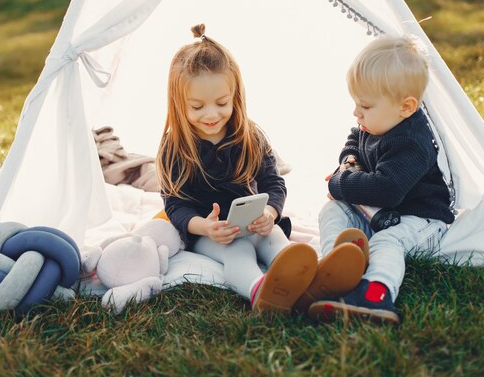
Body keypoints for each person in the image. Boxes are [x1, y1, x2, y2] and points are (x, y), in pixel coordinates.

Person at [156, 24, 363, 314]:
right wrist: (205, 226)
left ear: (235, 96)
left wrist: (269, 214)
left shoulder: (249, 135)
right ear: (179, 104)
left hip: (253, 223)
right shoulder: (176, 147)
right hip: (209, 234)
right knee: (239, 250)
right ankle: (263, 293)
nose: (211, 114)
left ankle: (314, 279)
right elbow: (175, 204)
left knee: (276, 239)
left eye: (221, 102)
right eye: (197, 106)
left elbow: (273, 183)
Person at [309, 35, 455, 324]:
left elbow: (386, 189)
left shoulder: (412, 142)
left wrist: (338, 184)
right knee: (332, 210)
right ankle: (334, 268)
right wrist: (348, 162)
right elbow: (355, 140)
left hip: (420, 220)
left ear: (406, 107)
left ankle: (377, 294)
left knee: (386, 242)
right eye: (355, 103)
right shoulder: (377, 122)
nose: (356, 112)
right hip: (381, 213)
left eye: (364, 105)